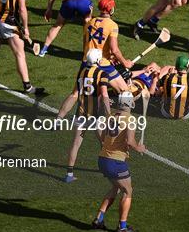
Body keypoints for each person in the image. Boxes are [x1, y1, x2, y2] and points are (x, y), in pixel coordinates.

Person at [56, 48, 133, 183]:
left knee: (75, 144)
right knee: (105, 143)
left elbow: (78, 93)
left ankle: (69, 174)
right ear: (98, 60)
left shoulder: (82, 72)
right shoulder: (101, 73)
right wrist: (109, 114)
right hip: (96, 116)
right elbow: (104, 95)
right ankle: (112, 168)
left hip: (81, 113)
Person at [92, 92, 146, 232]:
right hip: (115, 162)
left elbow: (101, 134)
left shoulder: (112, 117)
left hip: (102, 159)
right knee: (128, 191)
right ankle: (122, 226)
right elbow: (130, 141)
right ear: (130, 104)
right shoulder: (130, 119)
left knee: (115, 187)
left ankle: (99, 218)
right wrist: (138, 147)